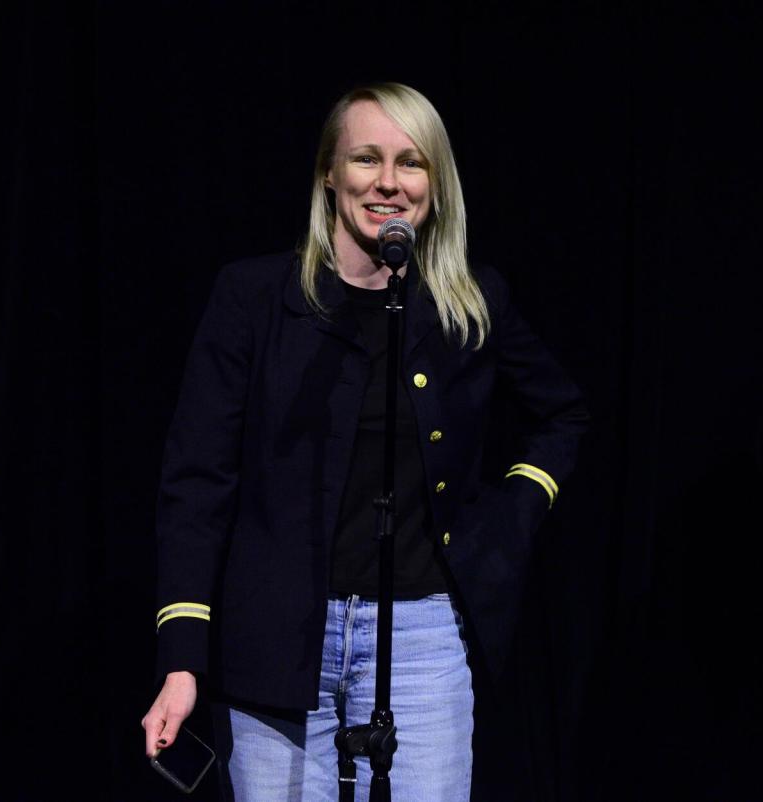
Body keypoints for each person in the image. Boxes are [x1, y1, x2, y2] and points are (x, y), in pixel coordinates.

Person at [141, 82, 589, 801]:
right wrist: (182, 660)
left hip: (422, 640)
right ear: (329, 172)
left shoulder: (470, 304)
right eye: (366, 159)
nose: (388, 182)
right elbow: (196, 484)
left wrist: (509, 516)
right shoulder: (253, 299)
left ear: (435, 186)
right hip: (279, 638)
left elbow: (562, 413)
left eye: (411, 163)